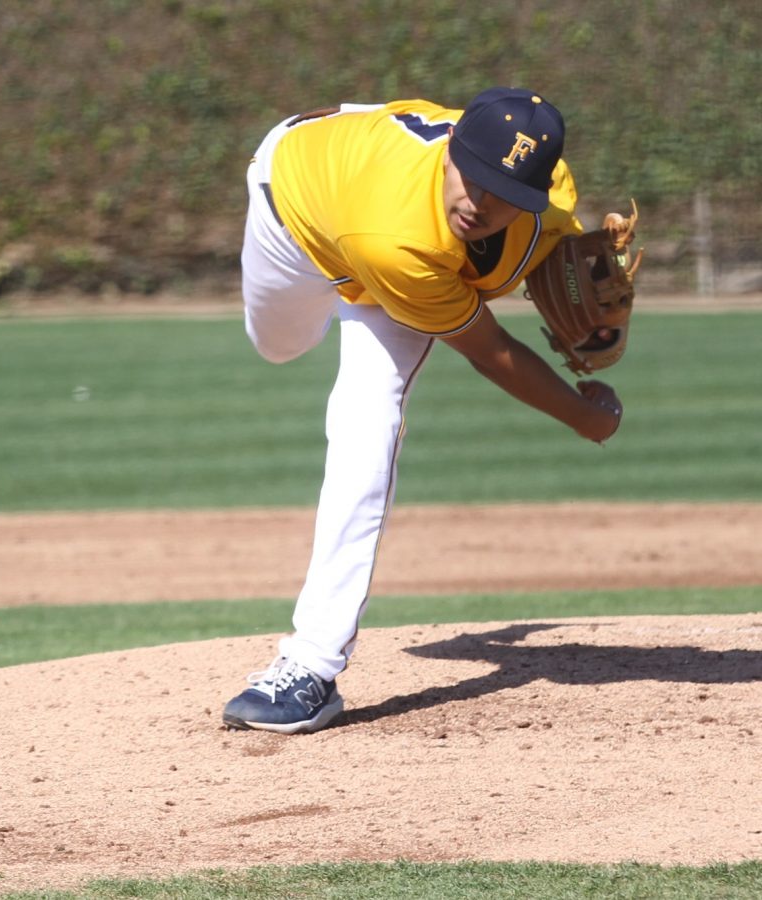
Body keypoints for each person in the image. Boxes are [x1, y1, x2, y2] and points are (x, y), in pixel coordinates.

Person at [223, 87, 623, 735]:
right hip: (301, 206)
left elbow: (559, 252)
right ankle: (355, 287)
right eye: (477, 177)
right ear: (453, 149)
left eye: (507, 192)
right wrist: (587, 419)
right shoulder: (388, 235)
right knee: (279, 346)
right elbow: (489, 349)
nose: (483, 203)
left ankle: (310, 664)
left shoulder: (550, 202)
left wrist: (595, 328)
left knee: (365, 417)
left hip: (386, 224)